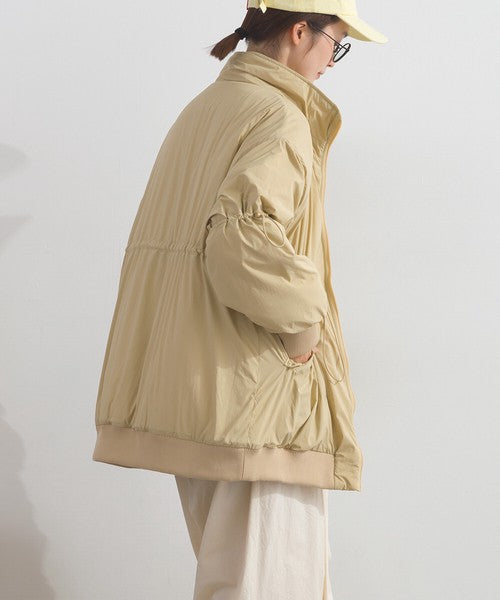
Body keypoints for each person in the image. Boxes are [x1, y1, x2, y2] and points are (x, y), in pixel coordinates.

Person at [92, 1, 387, 597]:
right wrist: (303, 334)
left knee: (233, 579)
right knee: (273, 586)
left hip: (204, 385)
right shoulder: (279, 115)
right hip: (259, 391)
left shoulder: (207, 107)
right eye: (337, 42)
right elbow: (241, 240)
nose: (334, 60)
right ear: (300, 31)